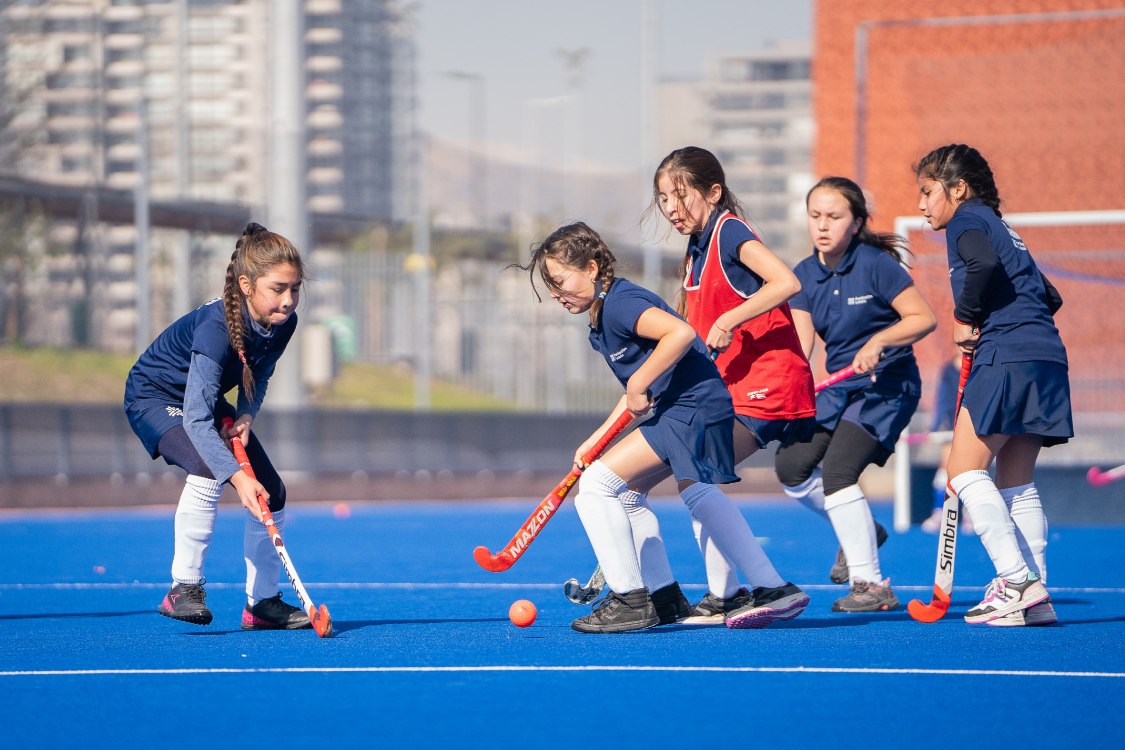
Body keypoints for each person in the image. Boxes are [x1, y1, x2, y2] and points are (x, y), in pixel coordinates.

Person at [516, 221, 808, 633]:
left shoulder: (620, 304)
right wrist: (596, 440)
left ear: (593, 267)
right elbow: (638, 394)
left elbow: (681, 332)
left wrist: (637, 383)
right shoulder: (602, 320)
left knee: (598, 488)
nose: (555, 294)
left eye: (560, 281)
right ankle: (669, 598)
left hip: (692, 407)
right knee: (633, 494)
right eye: (550, 285)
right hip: (683, 406)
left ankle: (631, 600)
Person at [603, 146, 818, 626]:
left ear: (713, 192)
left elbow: (786, 281)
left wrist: (732, 317)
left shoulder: (729, 232)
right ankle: (726, 595)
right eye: (662, 199)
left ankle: (771, 587)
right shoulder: (696, 249)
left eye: (680, 196)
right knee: (655, 484)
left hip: (766, 386)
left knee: (695, 477)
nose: (671, 209)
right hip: (728, 390)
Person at [124, 222, 311, 630]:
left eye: (295, 288)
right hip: (155, 397)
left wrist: (246, 414)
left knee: (273, 492)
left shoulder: (284, 322)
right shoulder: (216, 326)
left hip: (203, 401)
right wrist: (239, 478)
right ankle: (182, 588)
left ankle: (262, 604)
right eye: (277, 288)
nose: (288, 299)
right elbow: (193, 417)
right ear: (247, 284)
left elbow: (258, 374)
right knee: (210, 468)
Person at [914, 143, 1068, 626]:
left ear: (957, 189)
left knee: (962, 472)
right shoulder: (1003, 228)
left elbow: (981, 267)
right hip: (1045, 355)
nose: (921, 205)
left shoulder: (966, 220)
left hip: (1007, 357)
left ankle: (1016, 579)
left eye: (926, 192)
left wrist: (966, 317)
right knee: (1016, 483)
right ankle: (1035, 595)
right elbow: (1050, 294)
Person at [776, 176, 937, 613]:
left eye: (834, 216)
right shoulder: (803, 275)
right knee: (790, 467)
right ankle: (864, 526)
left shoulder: (876, 265)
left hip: (887, 386)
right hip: (839, 388)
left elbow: (923, 318)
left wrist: (879, 341)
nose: (822, 226)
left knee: (839, 473)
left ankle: (871, 585)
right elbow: (804, 343)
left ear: (856, 222)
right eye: (815, 216)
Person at [920, 349, 974, 535]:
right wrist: (935, 425)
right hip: (952, 424)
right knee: (946, 467)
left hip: (974, 425)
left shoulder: (980, 365)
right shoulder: (949, 369)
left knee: (971, 469)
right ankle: (939, 512)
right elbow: (942, 398)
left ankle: (969, 515)